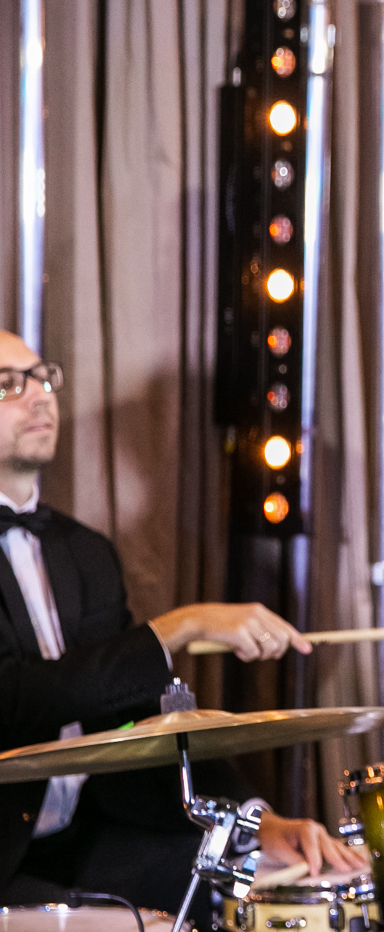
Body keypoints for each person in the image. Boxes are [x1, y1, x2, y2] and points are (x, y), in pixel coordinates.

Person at [0, 328, 361, 900]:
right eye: (8, 384)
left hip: (79, 835)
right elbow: (18, 699)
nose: (40, 395)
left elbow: (134, 722)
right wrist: (182, 626)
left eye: (43, 377)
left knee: (258, 888)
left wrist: (254, 823)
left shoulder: (86, 552)